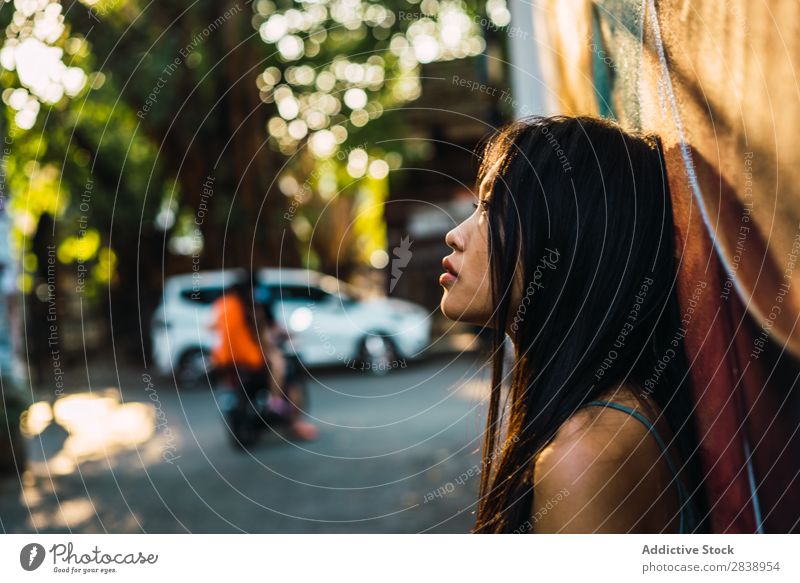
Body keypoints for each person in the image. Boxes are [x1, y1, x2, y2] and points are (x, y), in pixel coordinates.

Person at [439, 115, 708, 533]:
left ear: (568, 236)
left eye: (491, 206)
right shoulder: (619, 409)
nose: (455, 235)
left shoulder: (584, 459)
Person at [210, 272, 318, 441]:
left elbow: (211, 327)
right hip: (252, 361)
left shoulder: (222, 305)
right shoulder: (252, 308)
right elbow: (265, 335)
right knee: (280, 366)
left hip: (225, 362)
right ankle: (278, 403)